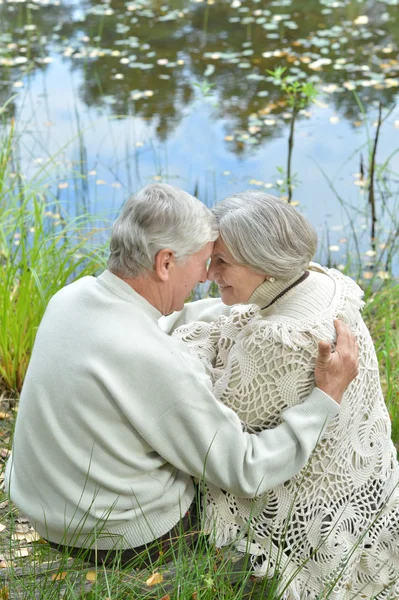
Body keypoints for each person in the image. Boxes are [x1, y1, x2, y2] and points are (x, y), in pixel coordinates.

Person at [5, 183, 357, 567]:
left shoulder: (73, 297)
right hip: (120, 537)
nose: (207, 275)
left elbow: (156, 318)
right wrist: (325, 399)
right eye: (205, 260)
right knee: (272, 501)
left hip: (45, 506)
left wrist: (248, 306)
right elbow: (245, 468)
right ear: (166, 263)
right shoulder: (152, 359)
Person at [170, 190, 399, 599]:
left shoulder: (280, 341)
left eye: (222, 261)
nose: (208, 273)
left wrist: (184, 348)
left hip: (307, 505)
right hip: (366, 481)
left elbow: (212, 429)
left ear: (264, 264)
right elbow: (235, 325)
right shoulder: (323, 282)